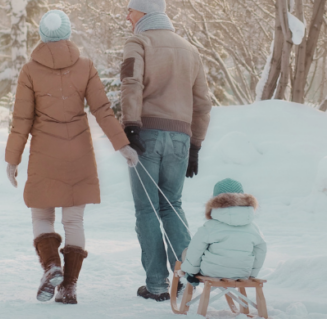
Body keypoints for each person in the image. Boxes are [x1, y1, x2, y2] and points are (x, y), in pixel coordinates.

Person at [5, 10, 140, 305]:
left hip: (44, 154)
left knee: (42, 215)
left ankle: (52, 265)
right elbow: (103, 110)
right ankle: (69, 286)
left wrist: (12, 158)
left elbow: (21, 120)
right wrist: (123, 146)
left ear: (42, 35)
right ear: (67, 33)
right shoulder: (85, 66)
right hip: (79, 152)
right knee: (74, 219)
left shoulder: (30, 71)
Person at [120, 0, 213, 301]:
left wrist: (131, 125)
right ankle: (190, 276)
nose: (127, 15)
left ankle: (158, 285)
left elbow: (130, 83)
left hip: (145, 134)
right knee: (172, 204)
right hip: (180, 139)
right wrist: (195, 145)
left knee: (147, 208)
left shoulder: (138, 42)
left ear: (145, 13)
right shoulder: (190, 50)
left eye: (131, 10)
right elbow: (203, 104)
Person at [179, 179, 267, 283]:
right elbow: (261, 250)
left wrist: (191, 271)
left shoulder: (210, 226)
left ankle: (190, 275)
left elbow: (195, 249)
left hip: (211, 272)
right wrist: (252, 274)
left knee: (188, 251)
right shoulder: (253, 227)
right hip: (242, 273)